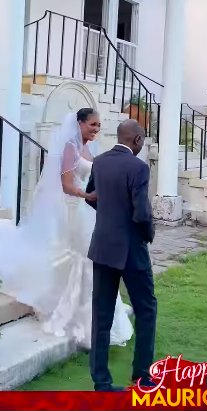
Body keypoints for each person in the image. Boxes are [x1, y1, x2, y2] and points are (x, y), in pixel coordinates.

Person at [0, 109, 133, 349]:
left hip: (83, 209)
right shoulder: (69, 147)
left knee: (89, 259)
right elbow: (67, 185)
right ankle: (77, 313)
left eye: (99, 125)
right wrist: (87, 194)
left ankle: (98, 313)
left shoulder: (87, 147)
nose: (96, 128)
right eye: (92, 124)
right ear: (79, 123)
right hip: (70, 208)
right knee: (79, 258)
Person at [85, 119, 157, 391]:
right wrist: (148, 234)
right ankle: (142, 378)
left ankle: (101, 383)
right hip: (131, 250)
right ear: (137, 140)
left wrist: (109, 218)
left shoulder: (100, 161)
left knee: (101, 316)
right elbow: (141, 213)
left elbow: (90, 196)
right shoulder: (138, 167)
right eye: (143, 141)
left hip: (102, 247)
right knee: (146, 310)